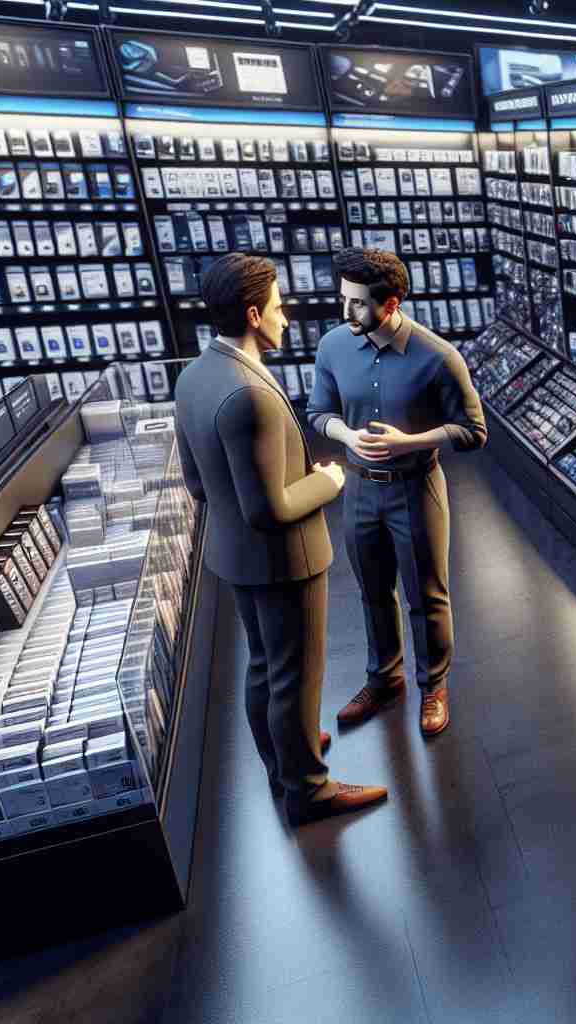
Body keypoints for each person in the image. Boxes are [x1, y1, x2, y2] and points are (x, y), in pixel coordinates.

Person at [174, 253, 388, 826]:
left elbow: (198, 485)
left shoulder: (193, 376)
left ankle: (282, 762)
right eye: (277, 307)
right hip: (284, 560)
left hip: (235, 556)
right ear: (252, 312)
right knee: (297, 675)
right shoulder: (250, 394)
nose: (286, 318)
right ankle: (309, 789)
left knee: (265, 667)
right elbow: (272, 510)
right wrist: (327, 480)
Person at [308, 248, 486, 737]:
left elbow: (474, 431)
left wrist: (412, 441)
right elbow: (318, 412)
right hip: (360, 490)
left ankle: (434, 685)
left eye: (358, 303)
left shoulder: (439, 357)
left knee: (426, 595)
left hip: (415, 488)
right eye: (344, 299)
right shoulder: (332, 347)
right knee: (372, 591)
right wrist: (346, 436)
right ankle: (383, 678)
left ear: (391, 303)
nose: (346, 313)